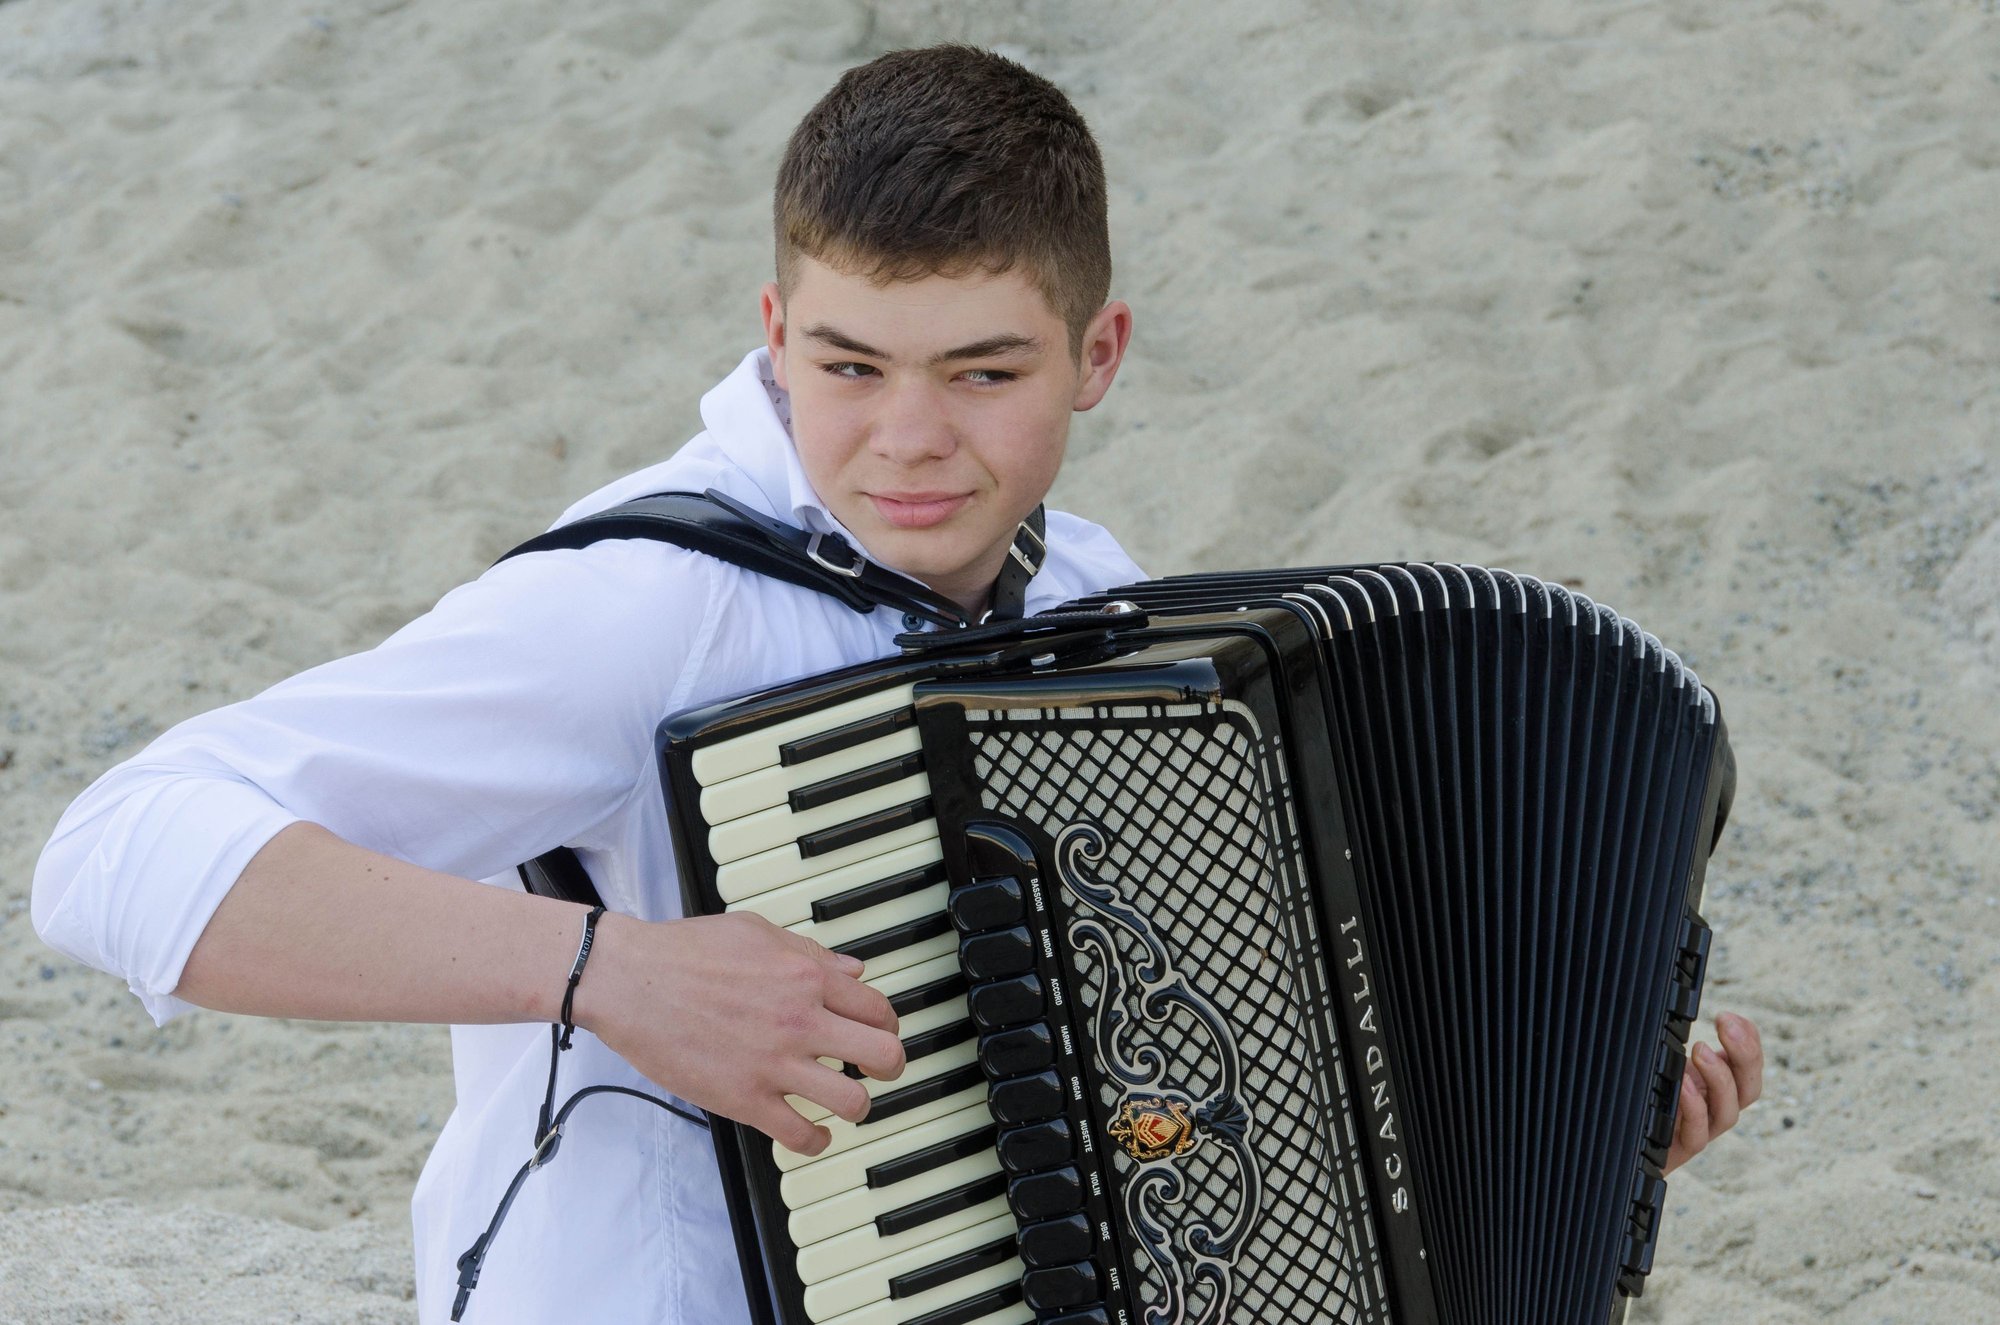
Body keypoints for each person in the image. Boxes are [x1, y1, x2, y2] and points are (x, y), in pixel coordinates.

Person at [31, 44, 1762, 1324]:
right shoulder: (647, 611)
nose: (910, 438)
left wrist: (1573, 1137)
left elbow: (1193, 1076)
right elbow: (117, 853)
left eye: (984, 370)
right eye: (848, 367)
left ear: (1099, 356)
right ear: (774, 335)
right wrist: (611, 969)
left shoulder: (1095, 600)